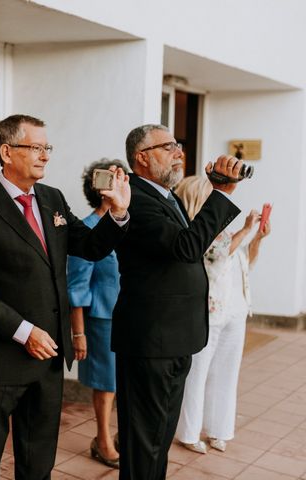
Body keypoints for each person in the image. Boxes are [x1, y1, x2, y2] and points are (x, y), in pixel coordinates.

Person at [0, 114, 131, 479]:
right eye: (35, 147)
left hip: (49, 359)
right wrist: (23, 331)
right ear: (6, 151)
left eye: (46, 147)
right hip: (2, 357)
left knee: (38, 464)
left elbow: (89, 247)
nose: (45, 155)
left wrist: (118, 212)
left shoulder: (52, 199)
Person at [112, 124, 242, 480]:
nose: (178, 152)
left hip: (173, 338)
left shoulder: (165, 196)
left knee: (159, 436)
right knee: (144, 442)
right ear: (141, 157)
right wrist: (222, 193)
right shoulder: (135, 198)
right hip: (150, 342)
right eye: (168, 146)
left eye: (178, 145)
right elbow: (186, 248)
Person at [174, 176, 271, 453]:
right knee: (198, 373)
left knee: (227, 373)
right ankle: (189, 433)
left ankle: (219, 429)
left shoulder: (223, 229)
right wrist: (247, 229)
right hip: (207, 313)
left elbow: (243, 265)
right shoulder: (193, 231)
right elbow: (216, 256)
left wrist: (256, 238)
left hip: (235, 310)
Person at [67, 158, 127, 469]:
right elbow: (76, 287)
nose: (122, 182)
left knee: (124, 383)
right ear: (100, 188)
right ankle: (102, 440)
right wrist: (78, 334)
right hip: (101, 320)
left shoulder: (128, 222)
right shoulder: (87, 228)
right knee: (106, 385)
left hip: (130, 317)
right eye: (115, 177)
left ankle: (118, 435)